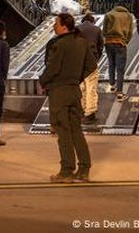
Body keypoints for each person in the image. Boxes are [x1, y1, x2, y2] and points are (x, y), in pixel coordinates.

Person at [39, 13, 97, 183]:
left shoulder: (59, 45)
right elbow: (92, 65)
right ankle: (84, 169)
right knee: (76, 130)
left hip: (59, 92)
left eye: (56, 23)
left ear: (64, 25)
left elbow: (52, 68)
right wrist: (76, 78)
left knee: (63, 131)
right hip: (74, 91)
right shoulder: (81, 42)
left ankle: (66, 171)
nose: (54, 26)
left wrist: (42, 81)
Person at [102, 5, 134, 102]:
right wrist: (126, 41)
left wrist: (107, 38)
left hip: (108, 42)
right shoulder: (128, 16)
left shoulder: (109, 14)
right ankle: (120, 92)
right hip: (120, 43)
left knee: (111, 63)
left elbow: (104, 30)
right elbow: (130, 31)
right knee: (120, 69)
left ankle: (112, 85)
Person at [76, 13, 104, 125]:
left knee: (82, 87)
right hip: (91, 61)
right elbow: (101, 45)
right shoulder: (96, 29)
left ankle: (82, 111)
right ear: (92, 21)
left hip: (78, 61)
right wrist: (96, 57)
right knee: (91, 87)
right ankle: (90, 114)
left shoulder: (76, 29)